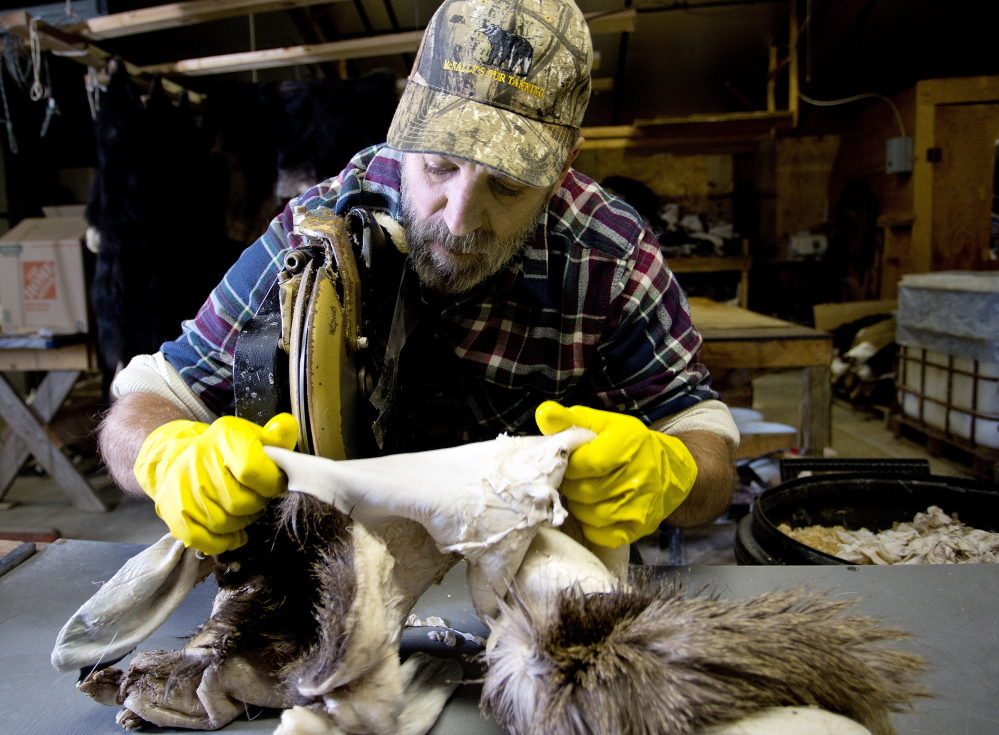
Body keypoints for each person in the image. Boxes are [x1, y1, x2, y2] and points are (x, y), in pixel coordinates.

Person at [97, 0, 739, 560]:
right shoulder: (325, 227)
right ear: (405, 124)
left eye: (507, 186)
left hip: (534, 575)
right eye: (440, 166)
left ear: (563, 167)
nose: (459, 221)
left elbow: (703, 442)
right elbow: (149, 400)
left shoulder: (610, 256)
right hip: (349, 573)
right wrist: (165, 457)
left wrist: (674, 474)